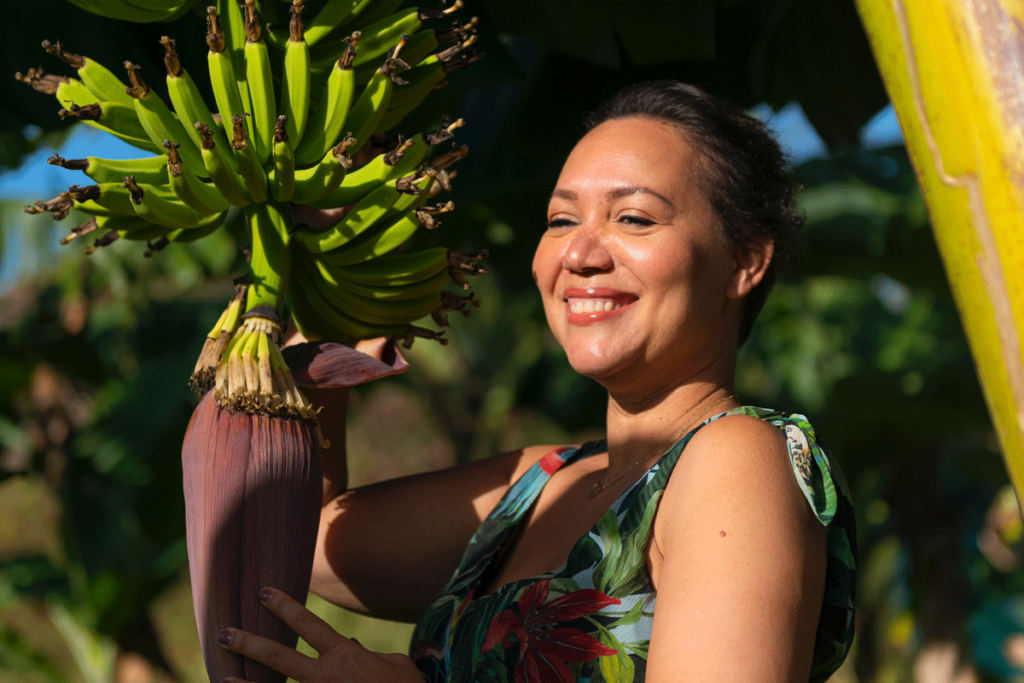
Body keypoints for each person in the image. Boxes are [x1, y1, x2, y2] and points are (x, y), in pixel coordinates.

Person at [216, 80, 857, 683]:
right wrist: (319, 290)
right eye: (560, 220)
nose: (580, 253)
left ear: (746, 261)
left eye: (634, 218)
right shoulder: (545, 481)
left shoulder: (736, 458)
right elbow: (300, 535)